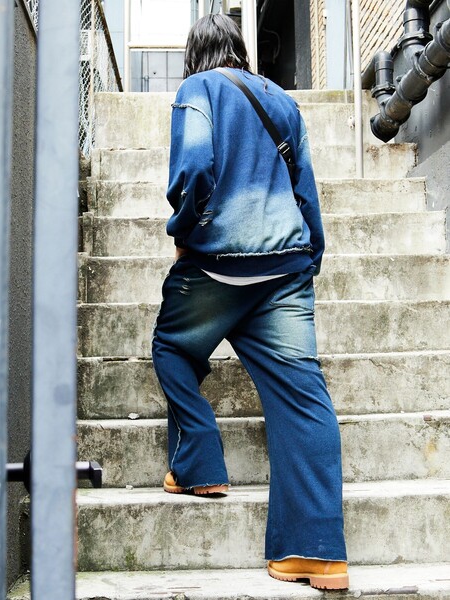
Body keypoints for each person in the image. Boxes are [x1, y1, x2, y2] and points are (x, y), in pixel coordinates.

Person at [151, 13, 348, 591]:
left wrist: (185, 228)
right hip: (286, 263)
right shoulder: (282, 100)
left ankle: (199, 463)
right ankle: (317, 555)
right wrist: (310, 255)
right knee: (303, 397)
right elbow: (305, 187)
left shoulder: (198, 89)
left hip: (217, 263)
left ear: (195, 53)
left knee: (172, 347)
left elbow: (193, 165)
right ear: (240, 49)